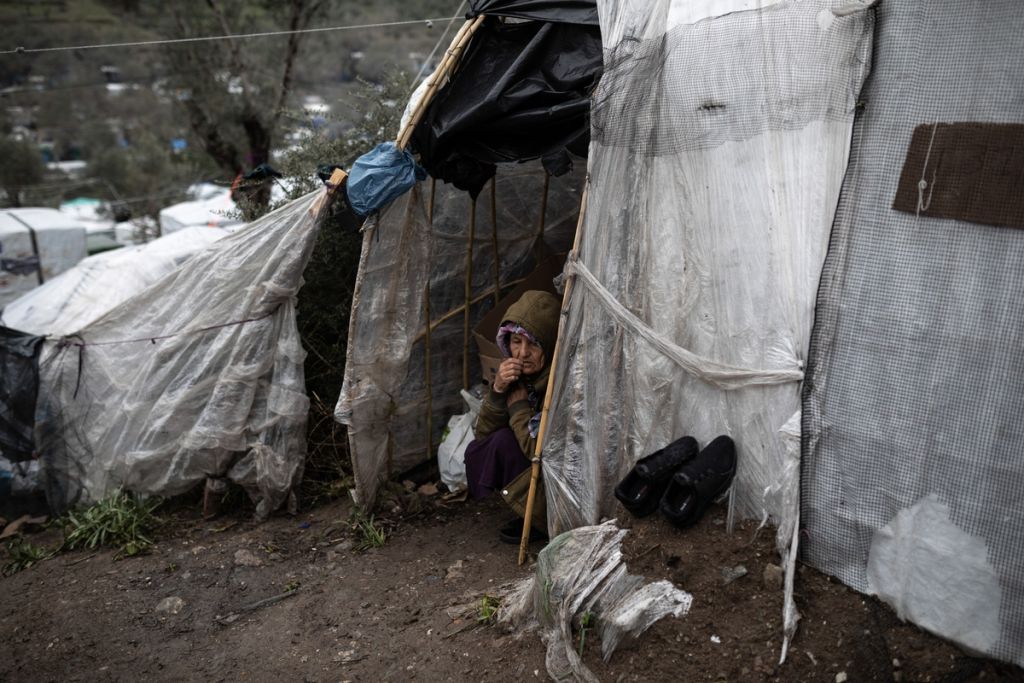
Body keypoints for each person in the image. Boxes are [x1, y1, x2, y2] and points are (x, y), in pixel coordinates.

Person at [464, 290, 561, 541]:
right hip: (536, 469)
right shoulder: (520, 380)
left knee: (504, 443)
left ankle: (543, 518)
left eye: (533, 344)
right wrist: (498, 391)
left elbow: (537, 451)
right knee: (484, 447)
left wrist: (518, 410)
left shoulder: (559, 384)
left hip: (559, 485)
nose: (522, 353)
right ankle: (529, 508)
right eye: (516, 342)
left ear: (550, 345)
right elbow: (483, 435)